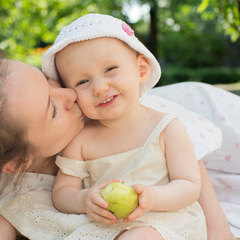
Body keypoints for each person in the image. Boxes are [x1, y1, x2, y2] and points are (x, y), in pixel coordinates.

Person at [0, 42, 234, 239]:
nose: (70, 93)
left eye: (48, 80)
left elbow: (192, 158)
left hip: (199, 109)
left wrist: (219, 233)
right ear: (18, 162)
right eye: (52, 110)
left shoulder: (101, 108)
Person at [47, 13, 205, 239]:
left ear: (141, 70)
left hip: (162, 220)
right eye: (82, 81)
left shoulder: (166, 128)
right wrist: (84, 200)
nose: (99, 88)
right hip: (101, 226)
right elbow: (62, 193)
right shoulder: (81, 140)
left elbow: (189, 185)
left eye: (110, 69)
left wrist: (153, 197)